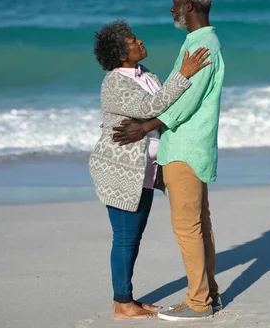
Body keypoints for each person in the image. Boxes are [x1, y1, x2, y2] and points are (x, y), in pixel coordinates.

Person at [111, 0, 224, 321]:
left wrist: (144, 127)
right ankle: (210, 295)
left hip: (185, 148)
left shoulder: (202, 44)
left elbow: (185, 101)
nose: (172, 9)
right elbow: (171, 94)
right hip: (188, 146)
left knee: (188, 228)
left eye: (175, 4)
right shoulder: (199, 41)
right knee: (199, 225)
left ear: (189, 7)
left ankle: (199, 303)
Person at [89, 19, 211, 319]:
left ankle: (127, 297)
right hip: (120, 170)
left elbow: (162, 107)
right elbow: (149, 108)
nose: (140, 41)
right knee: (125, 236)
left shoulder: (146, 74)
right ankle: (121, 304)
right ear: (120, 53)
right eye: (132, 40)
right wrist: (183, 74)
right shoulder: (115, 80)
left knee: (134, 236)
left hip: (144, 171)